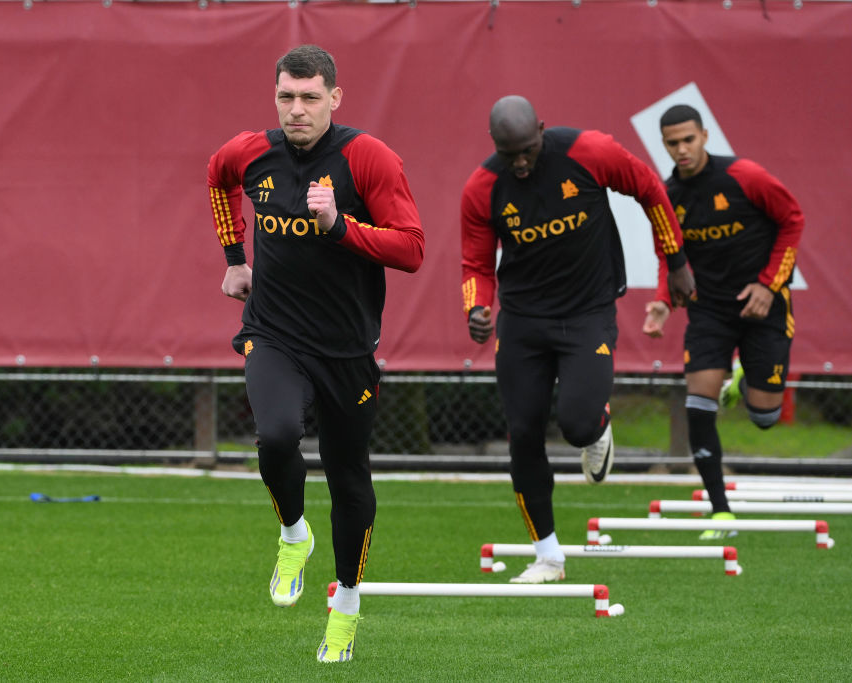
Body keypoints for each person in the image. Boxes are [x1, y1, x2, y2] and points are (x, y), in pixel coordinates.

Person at [206, 44, 424, 663]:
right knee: (275, 437)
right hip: (274, 334)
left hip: (348, 351)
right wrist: (233, 258)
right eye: (285, 97)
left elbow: (410, 248)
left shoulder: (367, 158)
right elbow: (217, 180)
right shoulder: (251, 152)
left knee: (349, 476)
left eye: (308, 97)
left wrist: (338, 227)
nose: (296, 110)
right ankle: (292, 534)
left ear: (335, 98)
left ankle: (346, 606)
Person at [460, 95, 695, 583]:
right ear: (494, 146)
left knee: (577, 422)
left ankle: (596, 429)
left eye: (528, 150)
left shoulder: (590, 152)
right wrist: (476, 308)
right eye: (510, 154)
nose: (521, 164)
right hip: (523, 321)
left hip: (587, 311)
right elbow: (477, 266)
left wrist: (675, 262)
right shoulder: (482, 188)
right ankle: (547, 555)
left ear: (542, 130)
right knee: (523, 435)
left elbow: (651, 190)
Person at [643, 104, 804, 539]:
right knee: (698, 403)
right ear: (664, 145)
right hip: (709, 310)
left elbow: (792, 220)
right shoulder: (668, 197)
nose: (682, 150)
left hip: (763, 306)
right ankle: (720, 511)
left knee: (765, 417)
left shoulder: (744, 176)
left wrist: (769, 285)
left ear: (705, 136)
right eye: (672, 143)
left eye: (688, 140)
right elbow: (669, 257)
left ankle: (744, 381)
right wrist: (662, 302)